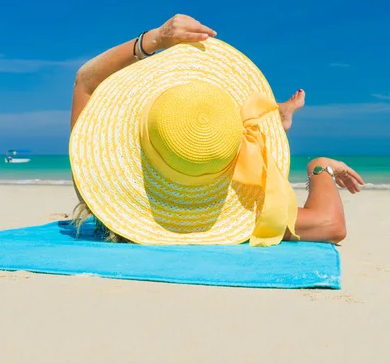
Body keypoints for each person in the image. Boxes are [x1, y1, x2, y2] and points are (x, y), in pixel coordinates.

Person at [70, 14, 364, 245]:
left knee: (207, 120)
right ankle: (271, 117)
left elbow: (85, 80)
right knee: (211, 123)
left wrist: (154, 39)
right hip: (223, 164)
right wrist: (320, 167)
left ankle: (273, 116)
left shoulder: (101, 203)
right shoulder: (239, 222)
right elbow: (330, 224)